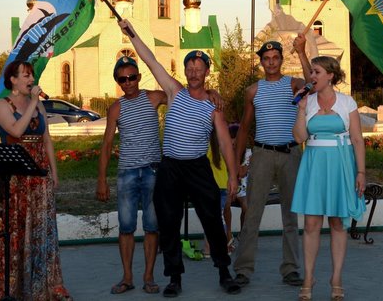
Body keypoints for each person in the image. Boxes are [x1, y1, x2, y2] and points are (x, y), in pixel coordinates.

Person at [118, 18, 241, 297]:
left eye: (200, 68)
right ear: (185, 70)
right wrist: (132, 33)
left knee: (212, 220)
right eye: (190, 67)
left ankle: (224, 271)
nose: (194, 72)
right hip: (170, 167)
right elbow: (150, 61)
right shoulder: (174, 91)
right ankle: (174, 277)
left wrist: (233, 176)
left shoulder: (213, 106)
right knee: (169, 222)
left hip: (197, 168)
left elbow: (224, 142)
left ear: (207, 72)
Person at [233, 36, 311, 288]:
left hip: (290, 153)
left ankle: (290, 268)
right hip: (262, 154)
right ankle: (243, 269)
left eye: (275, 58)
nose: (271, 62)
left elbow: (313, 82)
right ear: (261, 63)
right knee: (253, 212)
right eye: (266, 59)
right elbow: (244, 128)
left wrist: (301, 52)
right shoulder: (253, 90)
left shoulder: (293, 85)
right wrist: (236, 164)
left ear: (281, 59)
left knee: (290, 214)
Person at [0, 60, 72, 300]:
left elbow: (46, 139)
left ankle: (45, 286)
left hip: (40, 175)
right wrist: (33, 103)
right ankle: (16, 289)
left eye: (31, 75)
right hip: (14, 178)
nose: (30, 79)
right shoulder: (2, 105)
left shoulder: (38, 106)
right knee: (17, 231)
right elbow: (16, 131)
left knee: (42, 229)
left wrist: (54, 174)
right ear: (12, 80)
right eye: (25, 76)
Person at [291, 56, 366, 301]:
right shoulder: (308, 102)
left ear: (330, 75)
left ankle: (336, 278)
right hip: (314, 165)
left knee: (336, 223)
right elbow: (299, 137)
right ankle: (308, 278)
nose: (312, 77)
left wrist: (361, 172)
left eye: (317, 72)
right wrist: (301, 110)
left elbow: (357, 139)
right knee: (311, 224)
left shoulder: (347, 102)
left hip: (340, 165)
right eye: (311, 72)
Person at [96, 56, 166, 295]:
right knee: (126, 227)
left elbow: (181, 94)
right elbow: (106, 145)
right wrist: (102, 180)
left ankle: (149, 276)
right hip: (126, 173)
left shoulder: (154, 98)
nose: (128, 83)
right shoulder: (116, 108)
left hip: (153, 172)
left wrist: (209, 91)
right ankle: (127, 277)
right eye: (122, 79)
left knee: (152, 226)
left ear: (139, 76)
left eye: (132, 77)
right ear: (118, 81)